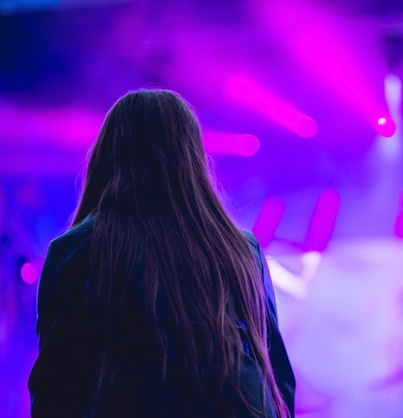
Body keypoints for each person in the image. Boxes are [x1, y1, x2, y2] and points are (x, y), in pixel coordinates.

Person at [27, 89, 295, 417]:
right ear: (192, 159)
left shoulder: (74, 251)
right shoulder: (240, 248)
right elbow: (278, 377)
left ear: (108, 157)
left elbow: (56, 389)